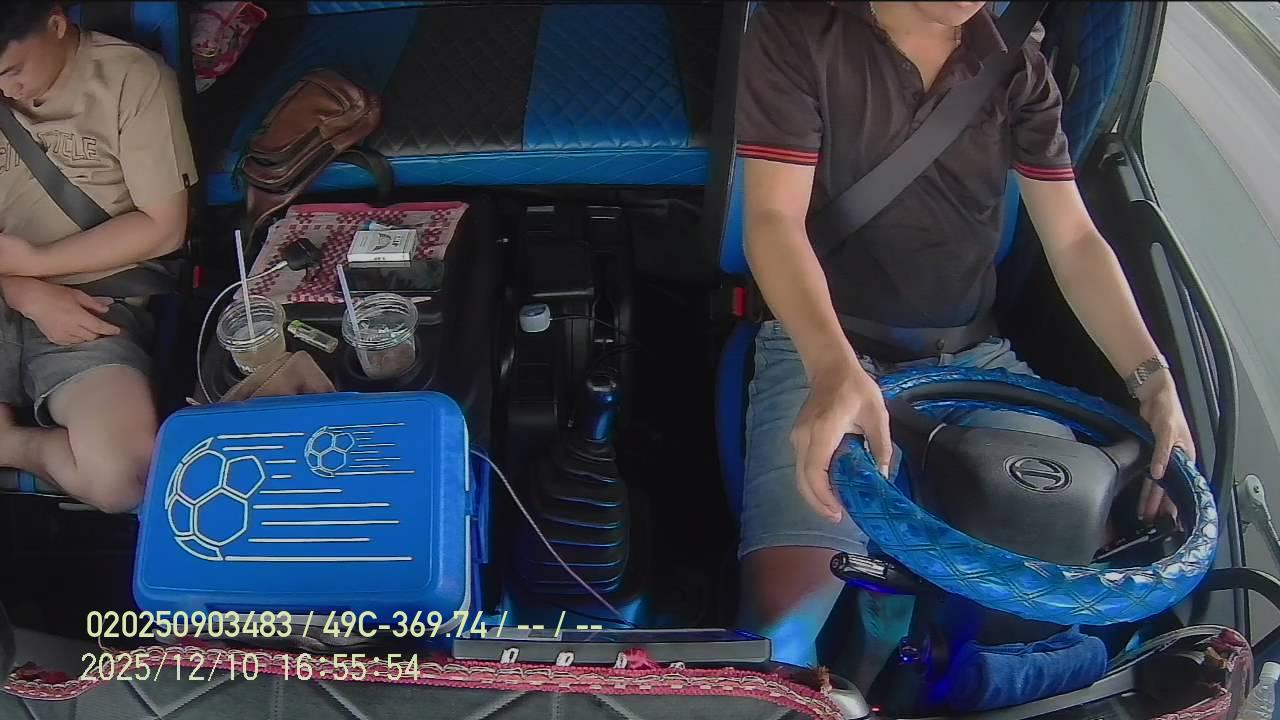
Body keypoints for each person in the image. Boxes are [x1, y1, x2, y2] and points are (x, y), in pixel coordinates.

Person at [734, 1, 1196, 683]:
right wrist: (832, 366)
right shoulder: (798, 32)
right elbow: (773, 220)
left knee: (1065, 591)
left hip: (973, 362)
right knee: (785, 636)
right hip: (822, 347)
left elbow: (1073, 239)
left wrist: (1152, 379)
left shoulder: (1017, 65)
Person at [0, 1, 196, 512]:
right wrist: (21, 288)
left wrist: (36, 263)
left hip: (95, 300)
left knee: (126, 480)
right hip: (10, 287)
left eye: (11, 71)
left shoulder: (131, 78)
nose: (6, 90)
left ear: (56, 24)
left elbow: (163, 229)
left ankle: (11, 446)